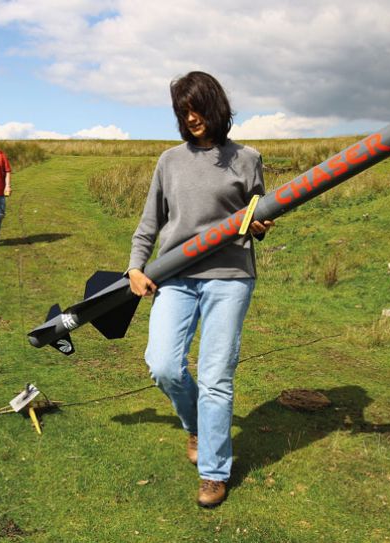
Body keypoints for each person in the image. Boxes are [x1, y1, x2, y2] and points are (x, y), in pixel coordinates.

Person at [127, 71, 274, 508]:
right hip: (176, 278)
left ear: (216, 107)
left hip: (229, 277)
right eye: (182, 111)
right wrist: (136, 266)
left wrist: (263, 226)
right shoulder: (169, 161)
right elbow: (150, 222)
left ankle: (213, 471)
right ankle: (196, 425)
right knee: (164, 365)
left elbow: (259, 215)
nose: (191, 117)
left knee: (215, 377)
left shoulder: (247, 158)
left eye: (197, 108)